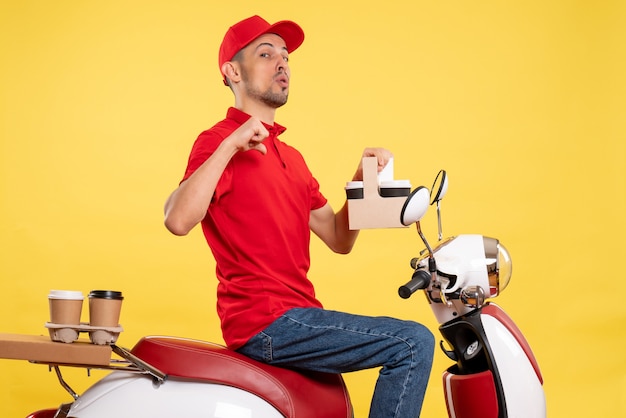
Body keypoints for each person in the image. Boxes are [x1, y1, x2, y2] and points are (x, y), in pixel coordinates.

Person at [164, 15, 434, 417]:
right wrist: (231, 145)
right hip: (264, 323)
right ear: (232, 72)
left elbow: (340, 239)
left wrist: (361, 182)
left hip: (301, 315)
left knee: (409, 343)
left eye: (286, 57)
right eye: (266, 53)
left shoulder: (293, 159)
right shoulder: (217, 141)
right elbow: (178, 219)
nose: (282, 64)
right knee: (411, 342)